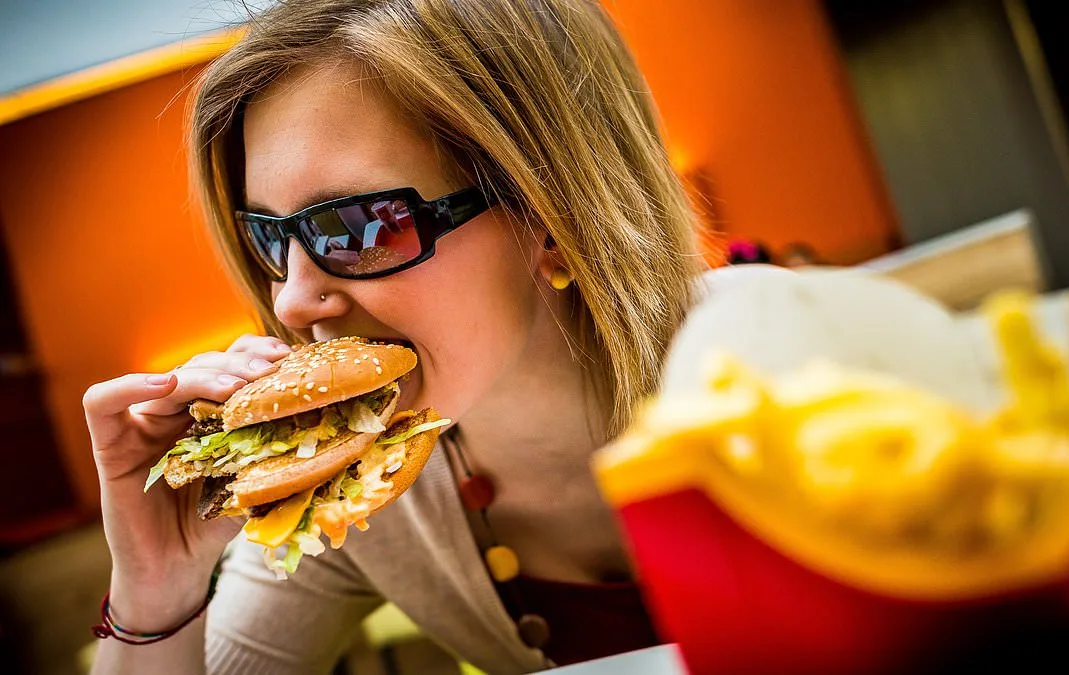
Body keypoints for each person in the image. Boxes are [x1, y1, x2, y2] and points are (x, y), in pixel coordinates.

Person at [83, 1, 714, 672]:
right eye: (269, 237)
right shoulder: (353, 495)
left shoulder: (777, 357)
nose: (290, 301)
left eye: (360, 226)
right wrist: (156, 585)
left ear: (553, 215)